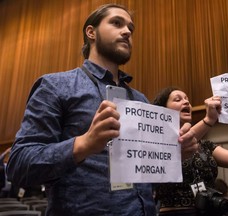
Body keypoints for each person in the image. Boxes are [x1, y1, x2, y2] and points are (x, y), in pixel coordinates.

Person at [6, 4, 200, 215]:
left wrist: (172, 156)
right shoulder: (55, 86)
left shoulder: (140, 100)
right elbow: (19, 165)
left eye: (130, 28)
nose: (127, 31)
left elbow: (145, 177)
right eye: (117, 23)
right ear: (91, 32)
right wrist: (83, 144)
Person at [152, 86, 228, 216]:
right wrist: (209, 119)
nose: (186, 102)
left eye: (187, 99)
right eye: (177, 99)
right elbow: (177, 145)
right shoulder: (156, 143)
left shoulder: (205, 146)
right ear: (163, 111)